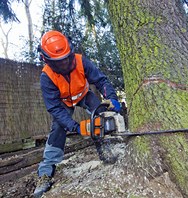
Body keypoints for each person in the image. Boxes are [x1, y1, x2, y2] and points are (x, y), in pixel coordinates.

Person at [33, 30, 121, 197]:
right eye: (59, 62)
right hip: (63, 102)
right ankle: (45, 173)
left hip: (83, 94)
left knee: (101, 113)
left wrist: (112, 98)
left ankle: (108, 149)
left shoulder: (81, 61)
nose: (65, 64)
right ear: (47, 60)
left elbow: (101, 80)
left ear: (70, 51)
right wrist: (76, 127)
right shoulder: (47, 76)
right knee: (58, 127)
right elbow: (54, 108)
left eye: (66, 59)